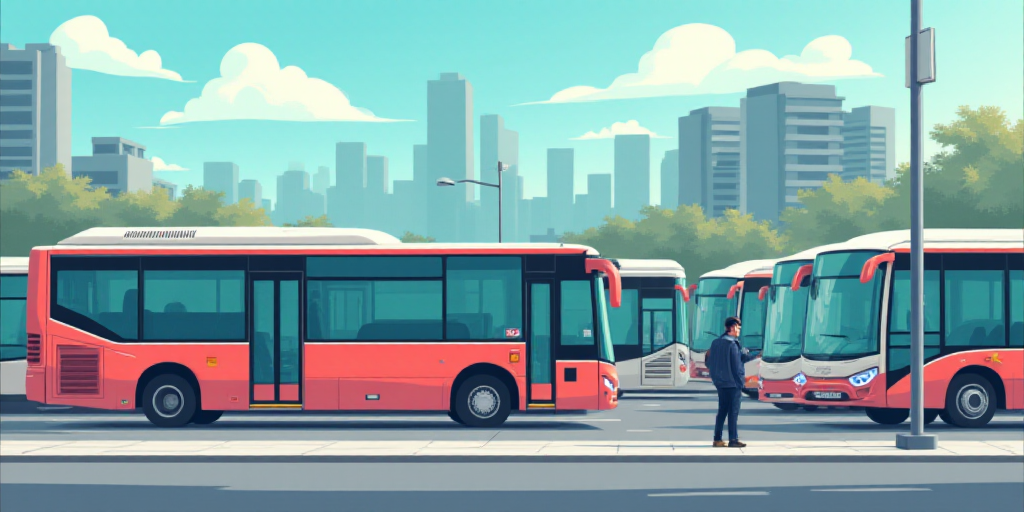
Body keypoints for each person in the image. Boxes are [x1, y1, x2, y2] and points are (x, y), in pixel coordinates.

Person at [706, 316, 756, 447]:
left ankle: (717, 439)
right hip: (733, 384)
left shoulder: (716, 343)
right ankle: (733, 439)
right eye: (738, 328)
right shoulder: (732, 345)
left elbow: (709, 362)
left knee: (722, 410)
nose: (739, 330)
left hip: (720, 383)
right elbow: (736, 366)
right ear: (733, 327)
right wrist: (740, 383)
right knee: (733, 412)